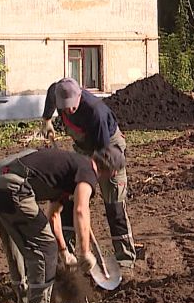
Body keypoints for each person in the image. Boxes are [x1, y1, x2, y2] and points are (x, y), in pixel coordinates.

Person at [0, 146, 125, 303]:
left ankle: (25, 302)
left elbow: (53, 216)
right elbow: (81, 210)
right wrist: (85, 251)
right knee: (46, 247)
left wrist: (65, 252)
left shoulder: (70, 168)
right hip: (12, 185)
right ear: (112, 171)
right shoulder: (88, 171)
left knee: (16, 243)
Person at [41, 78, 137, 268]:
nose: (68, 110)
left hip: (108, 149)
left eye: (72, 106)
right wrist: (46, 120)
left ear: (79, 96)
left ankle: (125, 260)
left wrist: (87, 180)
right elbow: (51, 96)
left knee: (114, 202)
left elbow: (101, 157)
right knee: (68, 197)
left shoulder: (95, 112)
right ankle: (67, 256)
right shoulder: (57, 92)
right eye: (64, 107)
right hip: (83, 147)